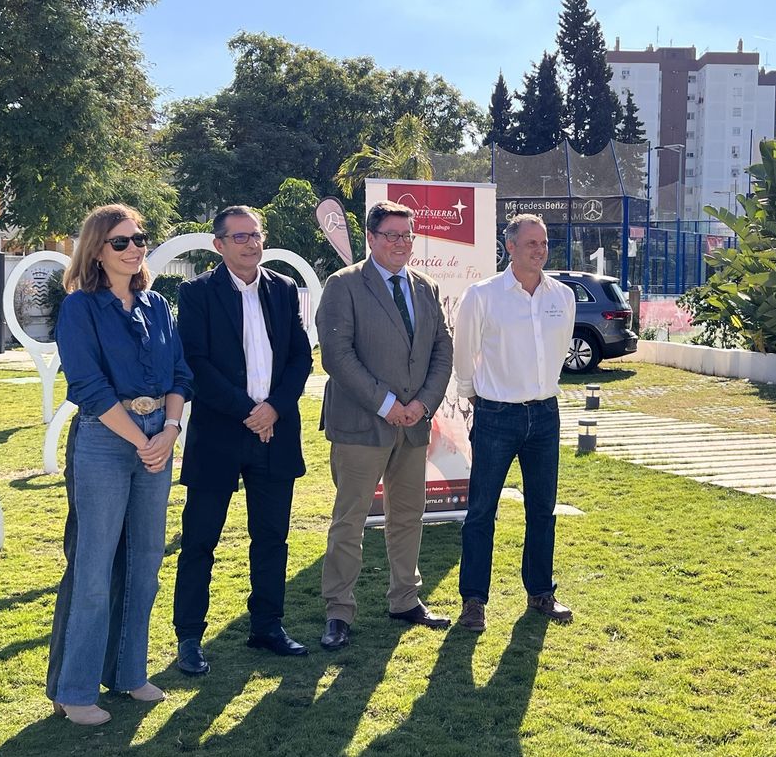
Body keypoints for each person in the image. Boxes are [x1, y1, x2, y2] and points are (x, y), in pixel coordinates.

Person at [45, 205, 192, 726]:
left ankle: (130, 673)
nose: (135, 249)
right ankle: (75, 690)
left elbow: (179, 372)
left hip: (158, 437)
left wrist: (169, 433)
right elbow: (88, 386)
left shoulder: (157, 305)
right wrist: (141, 440)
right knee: (93, 568)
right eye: (122, 242)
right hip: (105, 440)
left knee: (147, 561)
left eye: (140, 239)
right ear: (96, 250)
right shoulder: (80, 308)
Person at [172, 206, 313, 671]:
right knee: (200, 540)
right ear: (219, 245)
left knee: (271, 537)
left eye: (256, 236)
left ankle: (267, 627)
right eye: (240, 237)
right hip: (219, 433)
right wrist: (250, 412)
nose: (251, 244)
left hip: (275, 431)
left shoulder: (284, 289)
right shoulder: (195, 293)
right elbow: (195, 363)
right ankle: (190, 637)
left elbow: (299, 358)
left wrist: (273, 407)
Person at [316, 200, 454, 649]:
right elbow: (337, 356)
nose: (400, 243)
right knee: (350, 520)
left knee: (408, 516)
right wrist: (388, 403)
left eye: (407, 236)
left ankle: (405, 599)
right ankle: (339, 610)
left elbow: (442, 351)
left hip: (413, 425)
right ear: (371, 239)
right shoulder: (344, 285)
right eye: (391, 235)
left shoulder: (426, 287)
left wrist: (423, 404)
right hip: (362, 425)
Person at [452, 214, 576, 632]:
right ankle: (473, 601)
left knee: (543, 509)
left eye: (543, 243)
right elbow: (464, 350)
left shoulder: (561, 294)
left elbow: (559, 350)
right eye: (530, 243)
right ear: (510, 246)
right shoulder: (483, 295)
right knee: (481, 511)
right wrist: (475, 394)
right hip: (496, 415)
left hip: (545, 414)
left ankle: (541, 592)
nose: (539, 250)